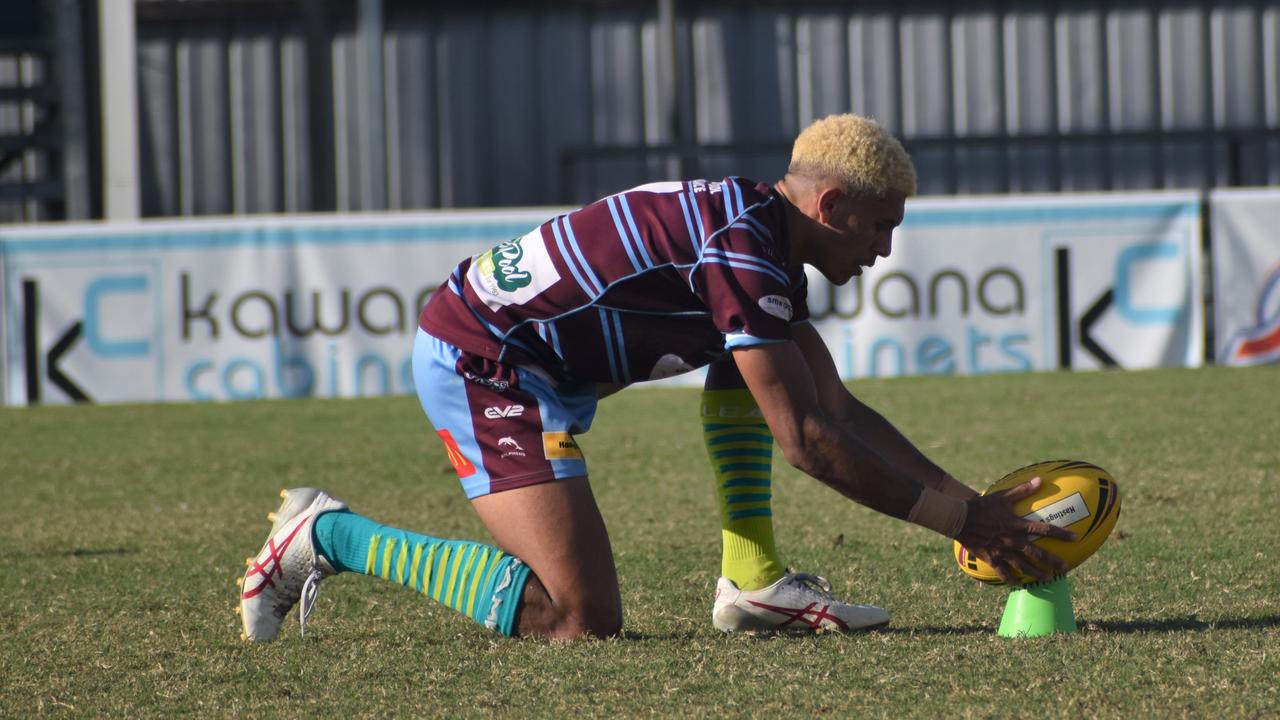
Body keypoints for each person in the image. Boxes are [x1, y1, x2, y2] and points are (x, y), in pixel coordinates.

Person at [237, 114, 1074, 642]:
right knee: (578, 619)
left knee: (759, 368)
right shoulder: (742, 250)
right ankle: (326, 535)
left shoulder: (761, 239)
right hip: (486, 361)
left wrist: (975, 507)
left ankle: (753, 581)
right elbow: (810, 443)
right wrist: (962, 522)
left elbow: (837, 406)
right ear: (832, 209)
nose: (884, 250)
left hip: (539, 363)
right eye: (880, 228)